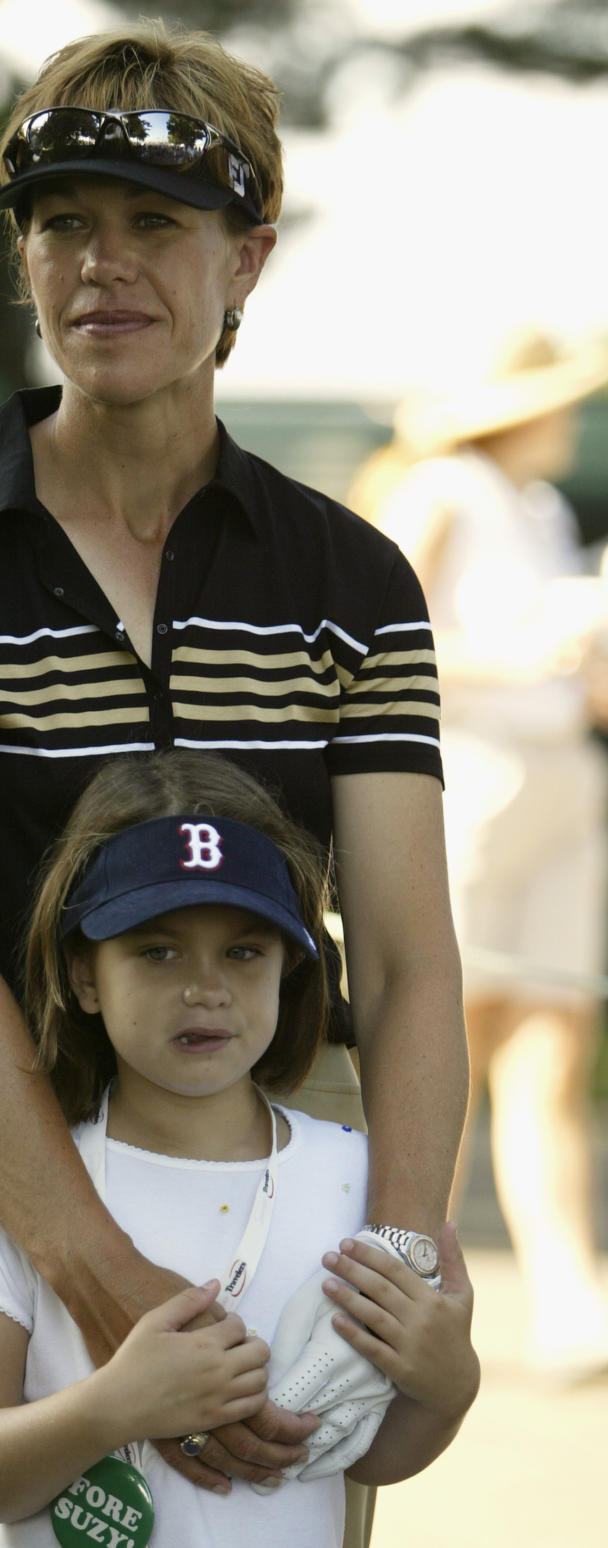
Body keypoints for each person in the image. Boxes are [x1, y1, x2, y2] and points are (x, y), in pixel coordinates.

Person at [0, 21, 467, 1548]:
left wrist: (402, 1264)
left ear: (245, 261)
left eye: (155, 226)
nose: (101, 265)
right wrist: (109, 1289)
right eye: (63, 225)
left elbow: (400, 955)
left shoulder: (352, 578)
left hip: (277, 1147)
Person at [0, 751, 479, 1546]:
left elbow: (366, 1456)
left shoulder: (357, 1179)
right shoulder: (17, 1188)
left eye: (245, 951)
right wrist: (109, 1409)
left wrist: (446, 1386)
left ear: (291, 968)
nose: (205, 987)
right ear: (82, 974)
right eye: (156, 949)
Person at [354, 329, 608, 1381]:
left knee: (550, 1055)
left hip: (560, 788)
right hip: (467, 786)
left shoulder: (547, 514)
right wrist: (522, 657)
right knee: (436, 1049)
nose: (574, 416)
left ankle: (569, 1304)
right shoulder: (443, 490)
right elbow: (378, 640)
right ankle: (401, 1294)